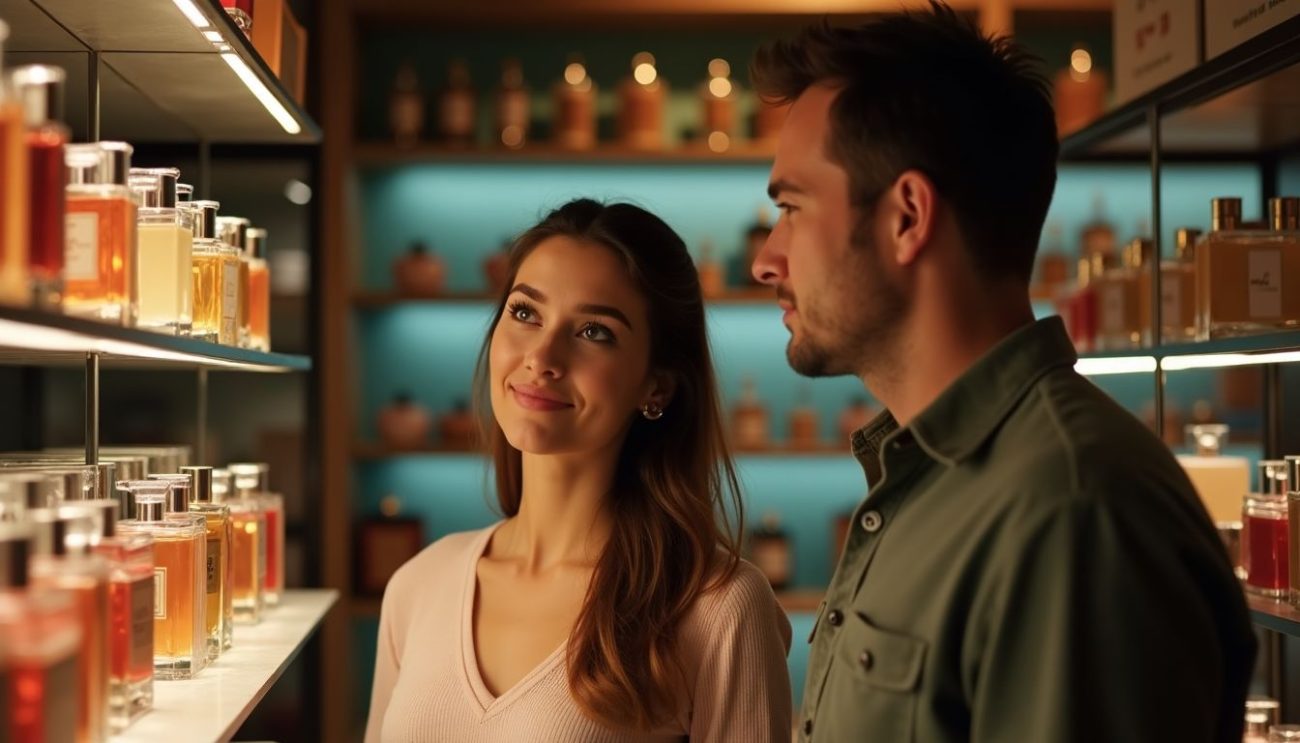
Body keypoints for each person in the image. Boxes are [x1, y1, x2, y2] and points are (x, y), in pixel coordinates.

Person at [749, 4, 1256, 741]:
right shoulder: (932, 480)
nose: (766, 258)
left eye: (791, 207)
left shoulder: (1072, 512)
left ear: (907, 217)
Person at [365, 199, 792, 742]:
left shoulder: (718, 607)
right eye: (525, 313)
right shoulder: (419, 585)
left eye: (594, 331)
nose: (542, 357)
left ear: (655, 385)